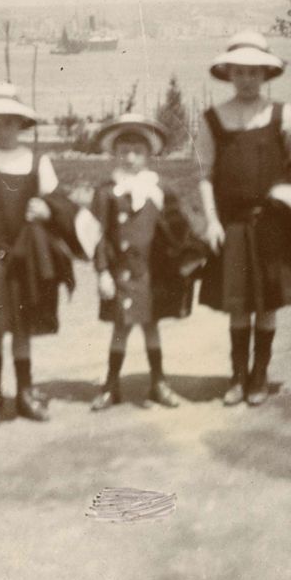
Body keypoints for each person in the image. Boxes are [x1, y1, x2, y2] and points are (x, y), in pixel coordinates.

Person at [197, 30, 291, 407]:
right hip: (232, 225)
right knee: (238, 303)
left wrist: (288, 201)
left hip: (272, 226)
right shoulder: (213, 118)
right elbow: (204, 175)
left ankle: (259, 375)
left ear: (266, 74)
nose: (247, 79)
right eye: (240, 71)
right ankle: (236, 376)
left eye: (254, 72)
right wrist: (212, 222)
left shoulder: (282, 114)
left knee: (266, 302)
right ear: (228, 73)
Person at [0, 82, 69, 430]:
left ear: (22, 124)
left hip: (27, 261)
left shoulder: (38, 162)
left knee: (23, 330)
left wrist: (46, 209)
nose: (3, 129)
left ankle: (25, 394)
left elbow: (58, 204)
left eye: (10, 121)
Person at [89, 114, 205, 412]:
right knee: (121, 328)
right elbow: (96, 235)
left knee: (152, 326)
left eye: (137, 151)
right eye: (124, 151)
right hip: (121, 274)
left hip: (152, 274)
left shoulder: (160, 188)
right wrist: (102, 272)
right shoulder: (106, 191)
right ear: (114, 152)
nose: (130, 157)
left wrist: (186, 255)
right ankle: (111, 384)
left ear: (149, 154)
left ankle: (158, 382)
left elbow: (179, 226)